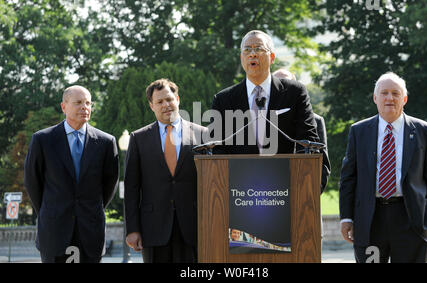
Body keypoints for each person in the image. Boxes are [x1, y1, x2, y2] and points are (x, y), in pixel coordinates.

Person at [339, 72, 427, 263]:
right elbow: (348, 179)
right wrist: (346, 218)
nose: (389, 98)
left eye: (395, 93)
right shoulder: (359, 131)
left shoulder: (424, 131)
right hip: (370, 221)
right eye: (384, 93)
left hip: (411, 221)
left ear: (404, 99)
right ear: (375, 98)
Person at [24, 85, 119, 263]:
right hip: (54, 230)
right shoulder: (43, 139)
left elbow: (109, 185)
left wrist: (88, 209)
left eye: (88, 103)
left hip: (90, 231)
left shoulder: (106, 142)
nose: (85, 107)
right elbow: (32, 182)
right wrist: (50, 209)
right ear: (64, 107)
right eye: (78, 103)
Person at [124, 78, 208, 263]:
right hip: (153, 228)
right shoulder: (138, 139)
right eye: (160, 102)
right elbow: (131, 188)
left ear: (177, 99)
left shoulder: (202, 134)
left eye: (169, 99)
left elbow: (211, 183)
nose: (166, 105)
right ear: (151, 106)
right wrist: (132, 229)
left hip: (194, 227)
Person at [211, 30, 318, 155]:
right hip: (239, 173)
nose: (252, 54)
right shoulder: (223, 100)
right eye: (247, 50)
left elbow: (308, 142)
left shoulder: (295, 92)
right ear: (241, 58)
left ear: (272, 57)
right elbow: (216, 149)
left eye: (258, 49)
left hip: (284, 172)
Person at [272, 68, 330, 192]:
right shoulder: (259, 119)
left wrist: (308, 194)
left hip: (301, 195)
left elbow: (322, 165)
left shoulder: (315, 121)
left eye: (286, 83)